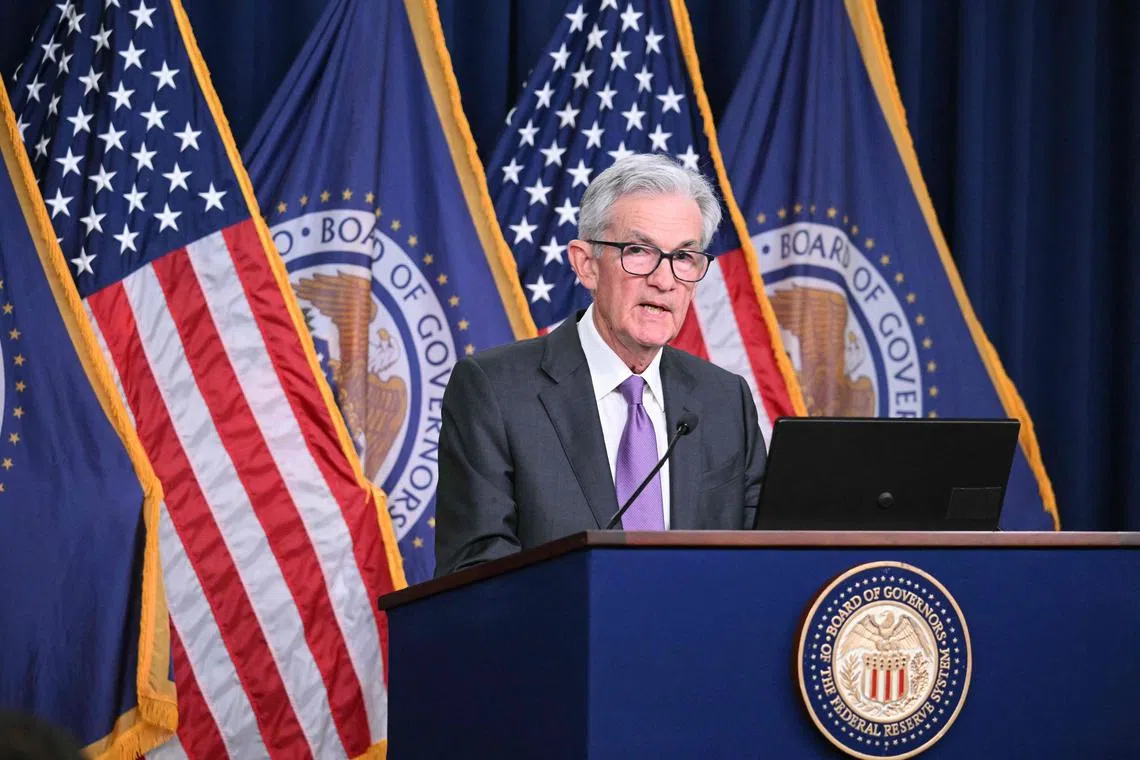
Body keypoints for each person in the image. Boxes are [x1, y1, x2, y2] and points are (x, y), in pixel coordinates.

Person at [434, 153, 766, 576]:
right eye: (639, 251)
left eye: (684, 257)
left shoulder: (724, 398)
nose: (665, 280)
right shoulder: (495, 391)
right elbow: (474, 571)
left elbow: (759, 554)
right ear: (586, 264)